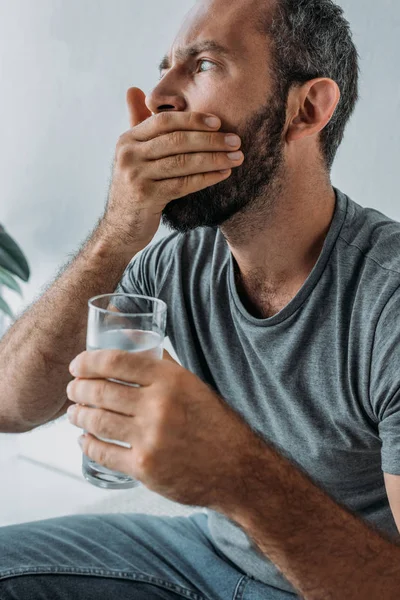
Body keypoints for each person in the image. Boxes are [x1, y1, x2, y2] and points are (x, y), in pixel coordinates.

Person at [1, 0, 400, 597]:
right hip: (203, 552)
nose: (158, 95)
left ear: (306, 108)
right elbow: (11, 405)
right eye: (165, 66)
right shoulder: (178, 262)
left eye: (204, 64)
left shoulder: (386, 298)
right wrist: (117, 232)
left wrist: (237, 474)